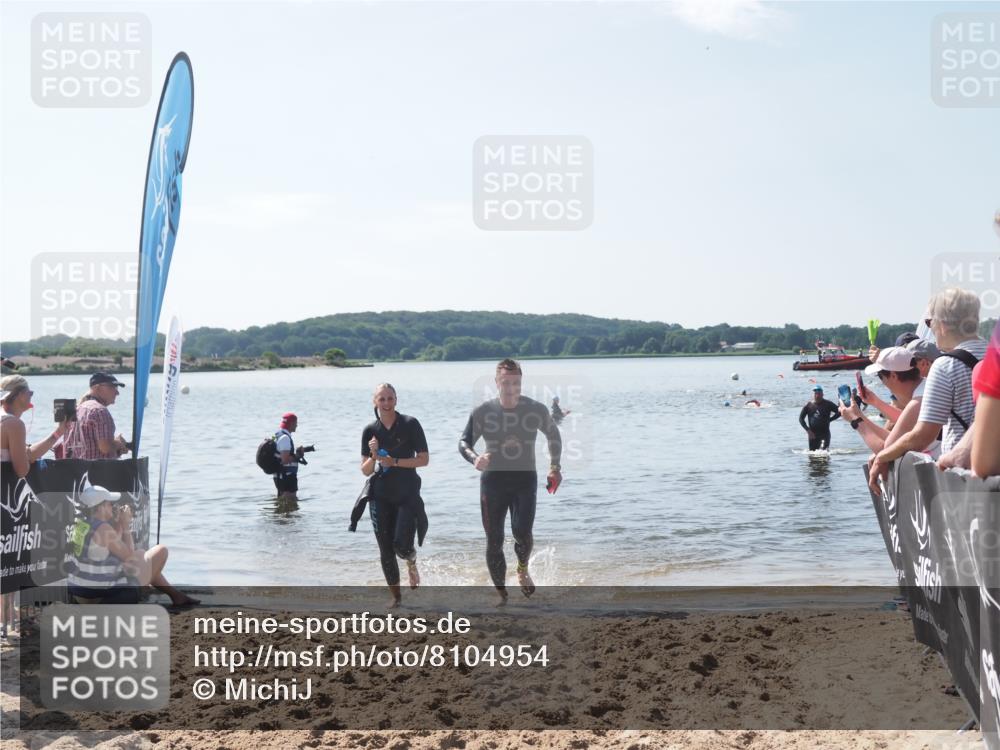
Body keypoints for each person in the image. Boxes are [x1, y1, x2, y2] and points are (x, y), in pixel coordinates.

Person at [459, 359, 562, 604]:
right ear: (497, 382)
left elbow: (553, 434)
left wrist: (555, 467)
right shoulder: (484, 412)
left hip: (524, 480)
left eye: (515, 382)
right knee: (494, 540)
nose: (510, 387)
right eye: (505, 382)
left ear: (521, 382)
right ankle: (502, 594)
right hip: (493, 482)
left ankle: (522, 568)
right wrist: (475, 458)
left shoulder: (535, 409)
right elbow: (464, 442)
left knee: (522, 532)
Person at [871, 289, 986, 487]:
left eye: (929, 322)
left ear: (943, 325)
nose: (930, 329)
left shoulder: (945, 365)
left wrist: (882, 456)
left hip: (964, 478)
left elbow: (923, 435)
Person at [66, 484, 198, 606]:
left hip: (82, 595)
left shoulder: (81, 524)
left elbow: (108, 548)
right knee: (160, 551)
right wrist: (125, 525)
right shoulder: (103, 528)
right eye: (110, 504)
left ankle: (176, 596)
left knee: (142, 557)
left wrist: (119, 524)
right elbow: (129, 555)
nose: (113, 506)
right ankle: (175, 596)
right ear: (100, 508)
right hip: (101, 599)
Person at [360, 384, 429, 607]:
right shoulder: (370, 431)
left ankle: (411, 560)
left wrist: (395, 462)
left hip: (407, 493)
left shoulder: (410, 424)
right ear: (375, 402)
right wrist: (373, 454)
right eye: (382, 399)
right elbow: (366, 470)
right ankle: (396, 597)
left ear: (396, 400)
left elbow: (424, 459)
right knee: (385, 548)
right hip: (380, 496)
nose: (386, 403)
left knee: (401, 545)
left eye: (390, 398)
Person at [841, 347, 927, 456]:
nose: (882, 382)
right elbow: (900, 430)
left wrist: (855, 420)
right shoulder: (925, 387)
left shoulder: (918, 402)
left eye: (880, 377)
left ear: (893, 376)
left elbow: (885, 450)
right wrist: (874, 403)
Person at [1, 375, 70, 478]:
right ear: (20, 395)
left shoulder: (6, 421)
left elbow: (27, 456)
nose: (31, 397)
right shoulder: (14, 424)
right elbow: (22, 471)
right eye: (30, 393)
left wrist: (59, 432)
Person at [61, 372, 130, 460]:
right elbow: (105, 448)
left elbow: (85, 451)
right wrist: (119, 443)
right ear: (97, 388)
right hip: (96, 468)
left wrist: (118, 451)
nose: (117, 392)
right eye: (113, 387)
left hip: (74, 468)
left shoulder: (77, 409)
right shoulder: (99, 410)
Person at [273, 412, 311, 500]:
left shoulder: (277, 435)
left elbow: (280, 455)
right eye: (296, 423)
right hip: (287, 476)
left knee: (284, 502)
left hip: (280, 475)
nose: (297, 425)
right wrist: (297, 456)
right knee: (291, 501)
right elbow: (285, 460)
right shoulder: (285, 438)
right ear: (291, 424)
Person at [798, 385, 840, 450]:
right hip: (812, 434)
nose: (817, 395)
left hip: (825, 434)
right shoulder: (808, 405)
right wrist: (808, 430)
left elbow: (840, 412)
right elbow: (801, 419)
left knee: (823, 452)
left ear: (822, 394)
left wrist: (830, 420)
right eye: (815, 393)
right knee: (812, 454)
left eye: (819, 393)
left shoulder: (828, 404)